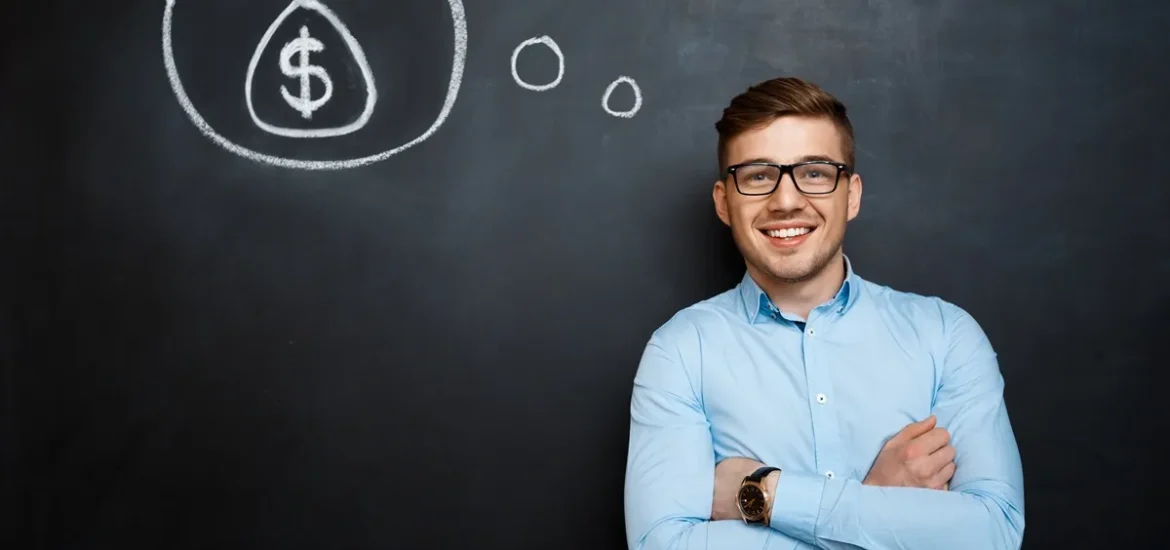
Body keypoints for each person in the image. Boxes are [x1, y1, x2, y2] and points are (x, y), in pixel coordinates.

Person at [622, 76, 1025, 550]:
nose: (786, 200)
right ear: (723, 203)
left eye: (814, 172)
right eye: (756, 175)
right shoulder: (681, 351)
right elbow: (662, 546)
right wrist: (878, 507)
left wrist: (766, 495)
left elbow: (994, 533)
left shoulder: (946, 336)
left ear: (850, 195)